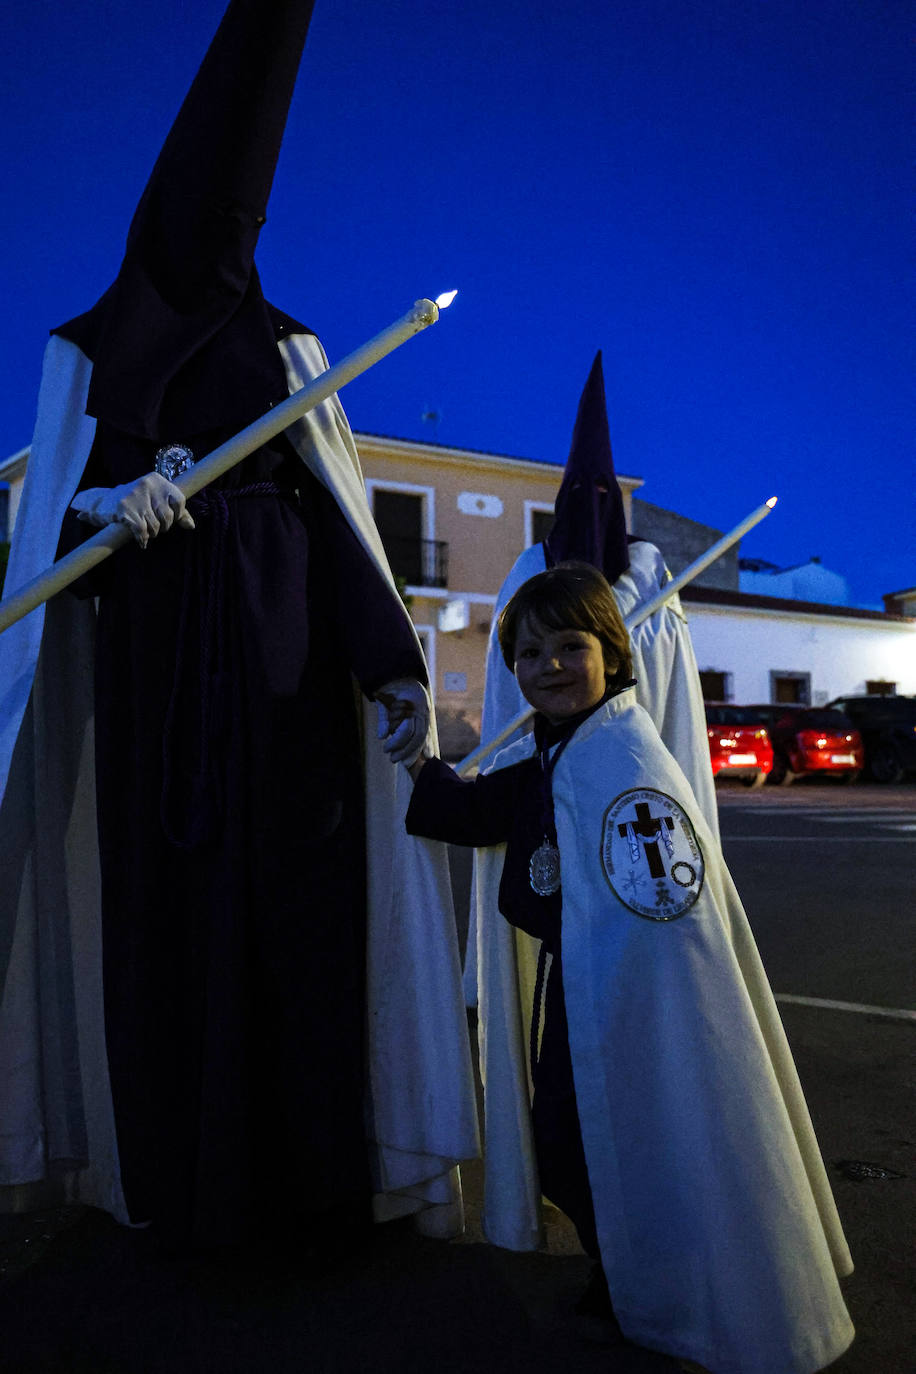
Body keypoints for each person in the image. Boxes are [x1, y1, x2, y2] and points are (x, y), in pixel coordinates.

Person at [0, 0, 478, 1251]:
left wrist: (387, 666)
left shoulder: (289, 349)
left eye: (240, 224)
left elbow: (335, 515)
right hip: (155, 684)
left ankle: (307, 1186)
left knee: (298, 925)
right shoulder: (85, 355)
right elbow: (45, 539)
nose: (224, 240)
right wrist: (102, 504)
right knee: (165, 924)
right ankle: (177, 1183)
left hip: (289, 683)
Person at [398, 562, 855, 1374]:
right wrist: (417, 762)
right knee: (572, 1145)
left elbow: (665, 912)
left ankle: (656, 1288)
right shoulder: (562, 750)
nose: (549, 668)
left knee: (642, 1136)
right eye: (529, 654)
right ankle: (631, 1270)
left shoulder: (624, 759)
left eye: (569, 646)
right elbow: (481, 811)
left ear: (612, 650)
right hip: (582, 993)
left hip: (631, 1002)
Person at [464, 349, 717, 1003]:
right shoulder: (529, 572)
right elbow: (505, 698)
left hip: (636, 777)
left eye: (603, 497)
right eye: (580, 496)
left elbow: (672, 698)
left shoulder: (654, 578)